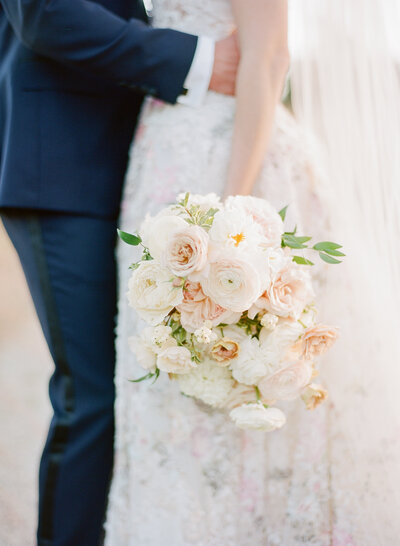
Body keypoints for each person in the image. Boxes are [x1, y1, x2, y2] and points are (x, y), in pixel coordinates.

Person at [0, 1, 240, 544]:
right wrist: (195, 59)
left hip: (154, 160)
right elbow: (44, 12)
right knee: (94, 395)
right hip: (64, 162)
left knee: (152, 390)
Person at [106, 1, 330, 544]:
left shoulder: (230, 199)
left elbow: (269, 55)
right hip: (162, 153)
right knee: (160, 363)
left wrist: (234, 214)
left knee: (237, 353)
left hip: (226, 162)